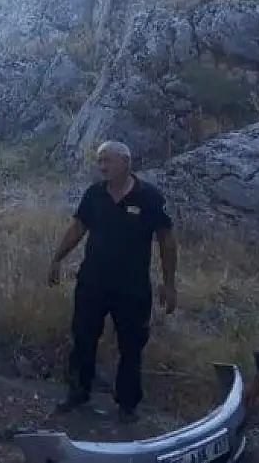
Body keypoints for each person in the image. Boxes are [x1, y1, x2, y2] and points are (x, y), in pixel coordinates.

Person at [48, 141, 177, 423]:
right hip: (93, 282)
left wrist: (169, 283)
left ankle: (128, 406)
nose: (102, 166)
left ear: (126, 161)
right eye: (99, 161)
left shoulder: (149, 197)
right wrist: (56, 259)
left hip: (132, 287)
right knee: (83, 338)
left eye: (107, 160)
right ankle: (78, 393)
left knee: (131, 346)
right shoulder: (94, 194)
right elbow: (78, 228)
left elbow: (166, 240)